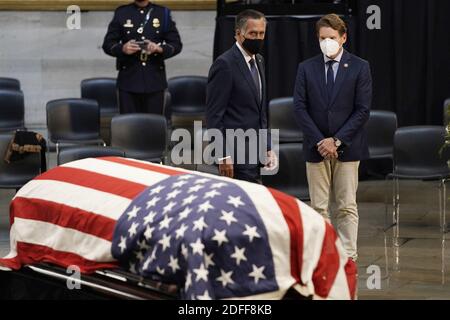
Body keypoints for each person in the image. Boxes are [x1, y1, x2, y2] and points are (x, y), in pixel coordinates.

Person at [293, 14, 372, 261]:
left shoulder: (360, 66)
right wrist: (321, 141)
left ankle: (348, 256)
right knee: (318, 207)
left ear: (343, 37)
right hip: (315, 147)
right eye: (322, 38)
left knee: (346, 205)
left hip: (347, 147)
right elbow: (299, 107)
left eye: (332, 38)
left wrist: (336, 140)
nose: (327, 42)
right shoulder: (306, 68)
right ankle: (325, 255)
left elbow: (362, 110)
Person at [206, 9, 277, 184]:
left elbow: (260, 111)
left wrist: (267, 146)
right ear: (238, 34)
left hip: (255, 152)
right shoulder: (225, 64)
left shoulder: (259, 60)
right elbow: (214, 116)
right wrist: (223, 154)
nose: (258, 38)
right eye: (253, 33)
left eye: (261, 33)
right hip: (234, 155)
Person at [102, 0, 182, 114]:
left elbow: (176, 44)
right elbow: (108, 44)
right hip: (128, 81)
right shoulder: (122, 12)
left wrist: (158, 49)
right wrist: (123, 48)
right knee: (128, 126)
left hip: (154, 80)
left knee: (154, 125)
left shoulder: (162, 13)